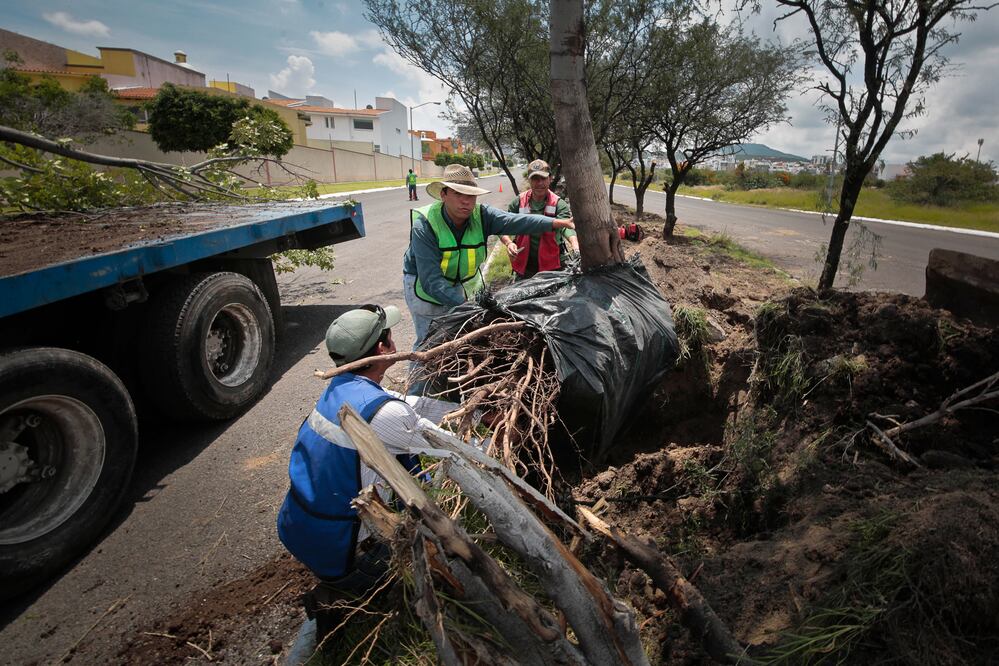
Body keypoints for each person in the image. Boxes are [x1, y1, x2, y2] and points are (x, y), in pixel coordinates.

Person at [277, 304, 466, 655]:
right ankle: (346, 601)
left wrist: (469, 406)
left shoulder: (342, 390)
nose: (395, 340)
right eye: (389, 335)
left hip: (300, 529)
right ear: (383, 349)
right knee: (445, 557)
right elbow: (451, 450)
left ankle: (337, 592)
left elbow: (408, 407)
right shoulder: (384, 414)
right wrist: (491, 440)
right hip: (340, 549)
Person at [402, 163, 575, 347]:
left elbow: (518, 220)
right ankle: (421, 376)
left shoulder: (482, 215)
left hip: (457, 281)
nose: (466, 201)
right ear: (443, 195)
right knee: (429, 341)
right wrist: (471, 306)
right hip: (424, 288)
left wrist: (558, 223)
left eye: (471, 195)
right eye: (458, 194)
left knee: (462, 335)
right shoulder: (425, 225)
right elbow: (432, 282)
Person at [500, 159, 580, 281]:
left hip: (552, 265)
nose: (540, 183)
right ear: (529, 180)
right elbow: (501, 226)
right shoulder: (518, 202)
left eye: (543, 178)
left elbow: (566, 227)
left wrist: (575, 246)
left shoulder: (559, 204)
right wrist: (509, 243)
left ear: (550, 178)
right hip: (525, 264)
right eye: (535, 179)